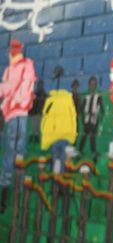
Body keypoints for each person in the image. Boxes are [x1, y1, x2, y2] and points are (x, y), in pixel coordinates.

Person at [0, 39, 37, 213]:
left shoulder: (26, 66)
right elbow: (6, 89)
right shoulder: (10, 69)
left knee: (18, 150)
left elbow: (25, 88)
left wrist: (14, 101)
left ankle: (17, 191)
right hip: (11, 114)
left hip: (19, 113)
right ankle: (7, 194)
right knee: (11, 152)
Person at [78, 76, 104, 162]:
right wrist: (82, 116)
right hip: (86, 119)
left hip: (94, 119)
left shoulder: (98, 96)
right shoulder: (86, 96)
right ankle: (80, 151)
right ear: (89, 85)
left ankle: (93, 154)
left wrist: (100, 117)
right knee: (84, 136)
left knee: (92, 137)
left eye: (94, 84)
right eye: (91, 84)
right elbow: (82, 108)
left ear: (96, 86)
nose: (92, 86)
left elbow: (102, 108)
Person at [28, 80, 47, 145]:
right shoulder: (35, 94)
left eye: (41, 85)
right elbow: (31, 103)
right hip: (34, 113)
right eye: (39, 85)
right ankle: (32, 139)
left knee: (37, 126)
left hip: (39, 113)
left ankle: (35, 139)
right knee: (33, 126)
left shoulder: (44, 95)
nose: (40, 86)